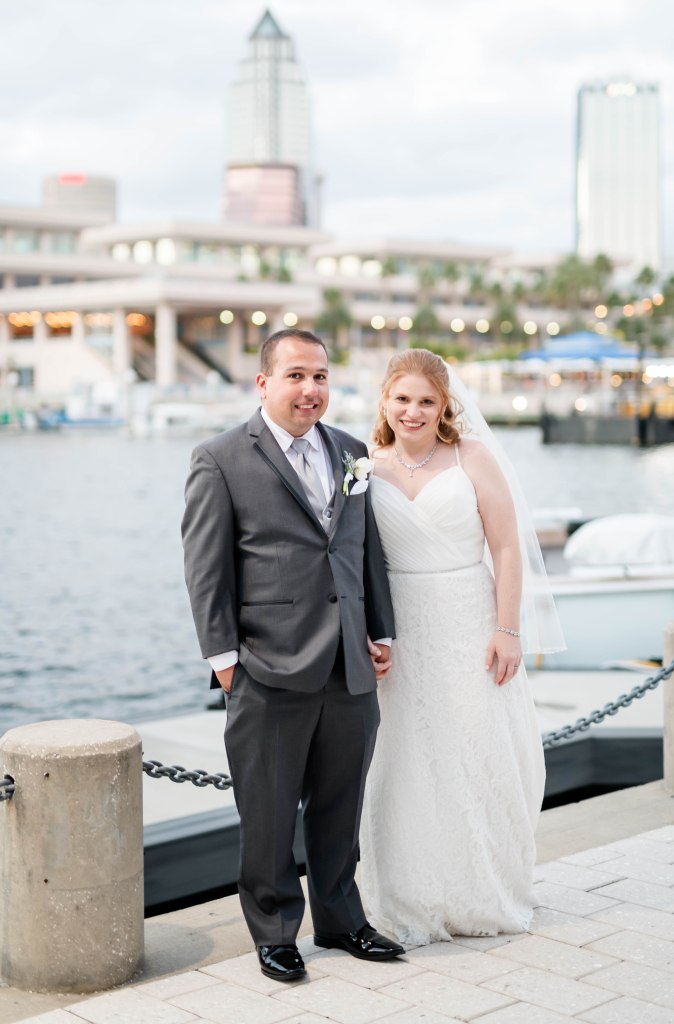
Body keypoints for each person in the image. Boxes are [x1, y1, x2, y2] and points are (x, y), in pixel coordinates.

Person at [181, 328, 404, 982]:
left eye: (320, 377)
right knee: (269, 813)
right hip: (266, 665)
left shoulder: (352, 452)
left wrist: (380, 632)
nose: (311, 389)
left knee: (341, 804)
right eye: (296, 376)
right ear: (264, 383)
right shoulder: (219, 458)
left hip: (349, 663)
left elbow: (363, 549)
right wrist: (225, 662)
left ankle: (341, 920)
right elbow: (206, 570)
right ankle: (276, 931)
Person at [359, 348, 565, 945]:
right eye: (403, 398)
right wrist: (368, 633)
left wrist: (507, 629)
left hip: (469, 622)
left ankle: (483, 890)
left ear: (444, 404)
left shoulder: (471, 456)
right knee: (404, 759)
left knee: (476, 750)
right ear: (385, 401)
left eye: (427, 400)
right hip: (401, 631)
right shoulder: (364, 465)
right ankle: (407, 895)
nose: (414, 411)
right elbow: (353, 561)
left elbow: (506, 546)